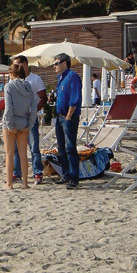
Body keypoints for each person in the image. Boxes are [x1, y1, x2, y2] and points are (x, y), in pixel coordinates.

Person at [11, 55, 47, 185]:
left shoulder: (35, 79)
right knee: (16, 147)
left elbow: (43, 97)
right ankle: (17, 172)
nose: (15, 68)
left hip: (31, 118)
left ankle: (37, 172)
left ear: (25, 64)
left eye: (17, 65)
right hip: (17, 118)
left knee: (34, 146)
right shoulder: (13, 80)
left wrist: (34, 110)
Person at [2, 62, 38, 189]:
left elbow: (8, 108)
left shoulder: (9, 87)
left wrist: (9, 125)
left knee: (9, 153)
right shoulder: (29, 87)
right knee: (23, 154)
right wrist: (30, 124)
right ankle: (25, 183)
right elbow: (33, 109)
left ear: (12, 73)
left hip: (10, 123)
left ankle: (9, 184)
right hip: (24, 123)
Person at [53, 53, 82, 189]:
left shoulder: (72, 77)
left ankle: (74, 177)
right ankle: (65, 174)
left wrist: (69, 116)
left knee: (70, 147)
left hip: (68, 116)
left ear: (64, 63)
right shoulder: (61, 78)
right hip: (59, 116)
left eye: (56, 63)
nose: (54, 66)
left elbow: (75, 98)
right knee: (61, 148)